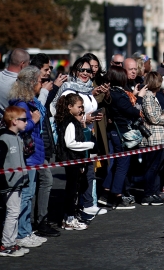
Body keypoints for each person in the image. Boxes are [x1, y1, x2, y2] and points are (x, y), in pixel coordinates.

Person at [50, 56, 106, 217]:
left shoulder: (88, 89)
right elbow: (60, 113)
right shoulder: (68, 88)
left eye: (88, 70)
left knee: (89, 171)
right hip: (73, 136)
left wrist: (91, 118)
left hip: (88, 133)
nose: (85, 73)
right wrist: (84, 119)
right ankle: (70, 214)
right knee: (75, 177)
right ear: (75, 70)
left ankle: (87, 203)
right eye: (82, 70)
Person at [8, 65, 48, 248]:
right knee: (26, 194)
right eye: (40, 81)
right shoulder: (22, 104)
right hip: (28, 153)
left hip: (33, 152)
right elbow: (22, 126)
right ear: (31, 83)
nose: (42, 84)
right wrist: (35, 120)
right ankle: (22, 233)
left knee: (28, 193)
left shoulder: (27, 102)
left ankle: (26, 230)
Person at [29, 53, 64, 237]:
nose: (49, 72)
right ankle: (39, 223)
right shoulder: (32, 89)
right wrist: (50, 90)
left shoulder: (44, 87)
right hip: (34, 144)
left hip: (45, 141)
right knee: (43, 181)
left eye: (49, 68)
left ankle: (39, 220)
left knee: (40, 182)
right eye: (46, 69)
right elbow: (39, 112)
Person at [101, 66, 146, 209]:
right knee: (122, 165)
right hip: (122, 132)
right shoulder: (117, 94)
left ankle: (106, 193)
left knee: (117, 164)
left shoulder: (115, 93)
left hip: (116, 131)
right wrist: (139, 98)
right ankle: (116, 196)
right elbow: (132, 111)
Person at [0, 106, 30, 257]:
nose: (26, 122)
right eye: (24, 120)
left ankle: (12, 242)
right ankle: (6, 245)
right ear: (14, 121)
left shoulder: (18, 138)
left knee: (14, 212)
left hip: (18, 182)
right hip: (9, 184)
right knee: (12, 213)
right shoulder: (4, 139)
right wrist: (2, 183)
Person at [54, 94, 93, 231]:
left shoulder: (70, 121)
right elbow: (70, 143)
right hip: (72, 159)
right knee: (72, 190)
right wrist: (89, 145)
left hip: (74, 159)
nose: (81, 109)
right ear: (70, 107)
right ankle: (69, 218)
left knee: (74, 188)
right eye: (79, 106)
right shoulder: (70, 122)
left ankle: (69, 217)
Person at [140, 72, 164, 205]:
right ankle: (147, 194)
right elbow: (153, 118)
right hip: (152, 137)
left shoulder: (153, 96)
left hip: (159, 137)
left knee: (156, 167)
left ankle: (153, 192)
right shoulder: (148, 96)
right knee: (151, 167)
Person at [0, 48, 30, 115]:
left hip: (0, 122)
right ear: (22, 64)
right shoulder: (21, 84)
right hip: (17, 122)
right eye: (28, 63)